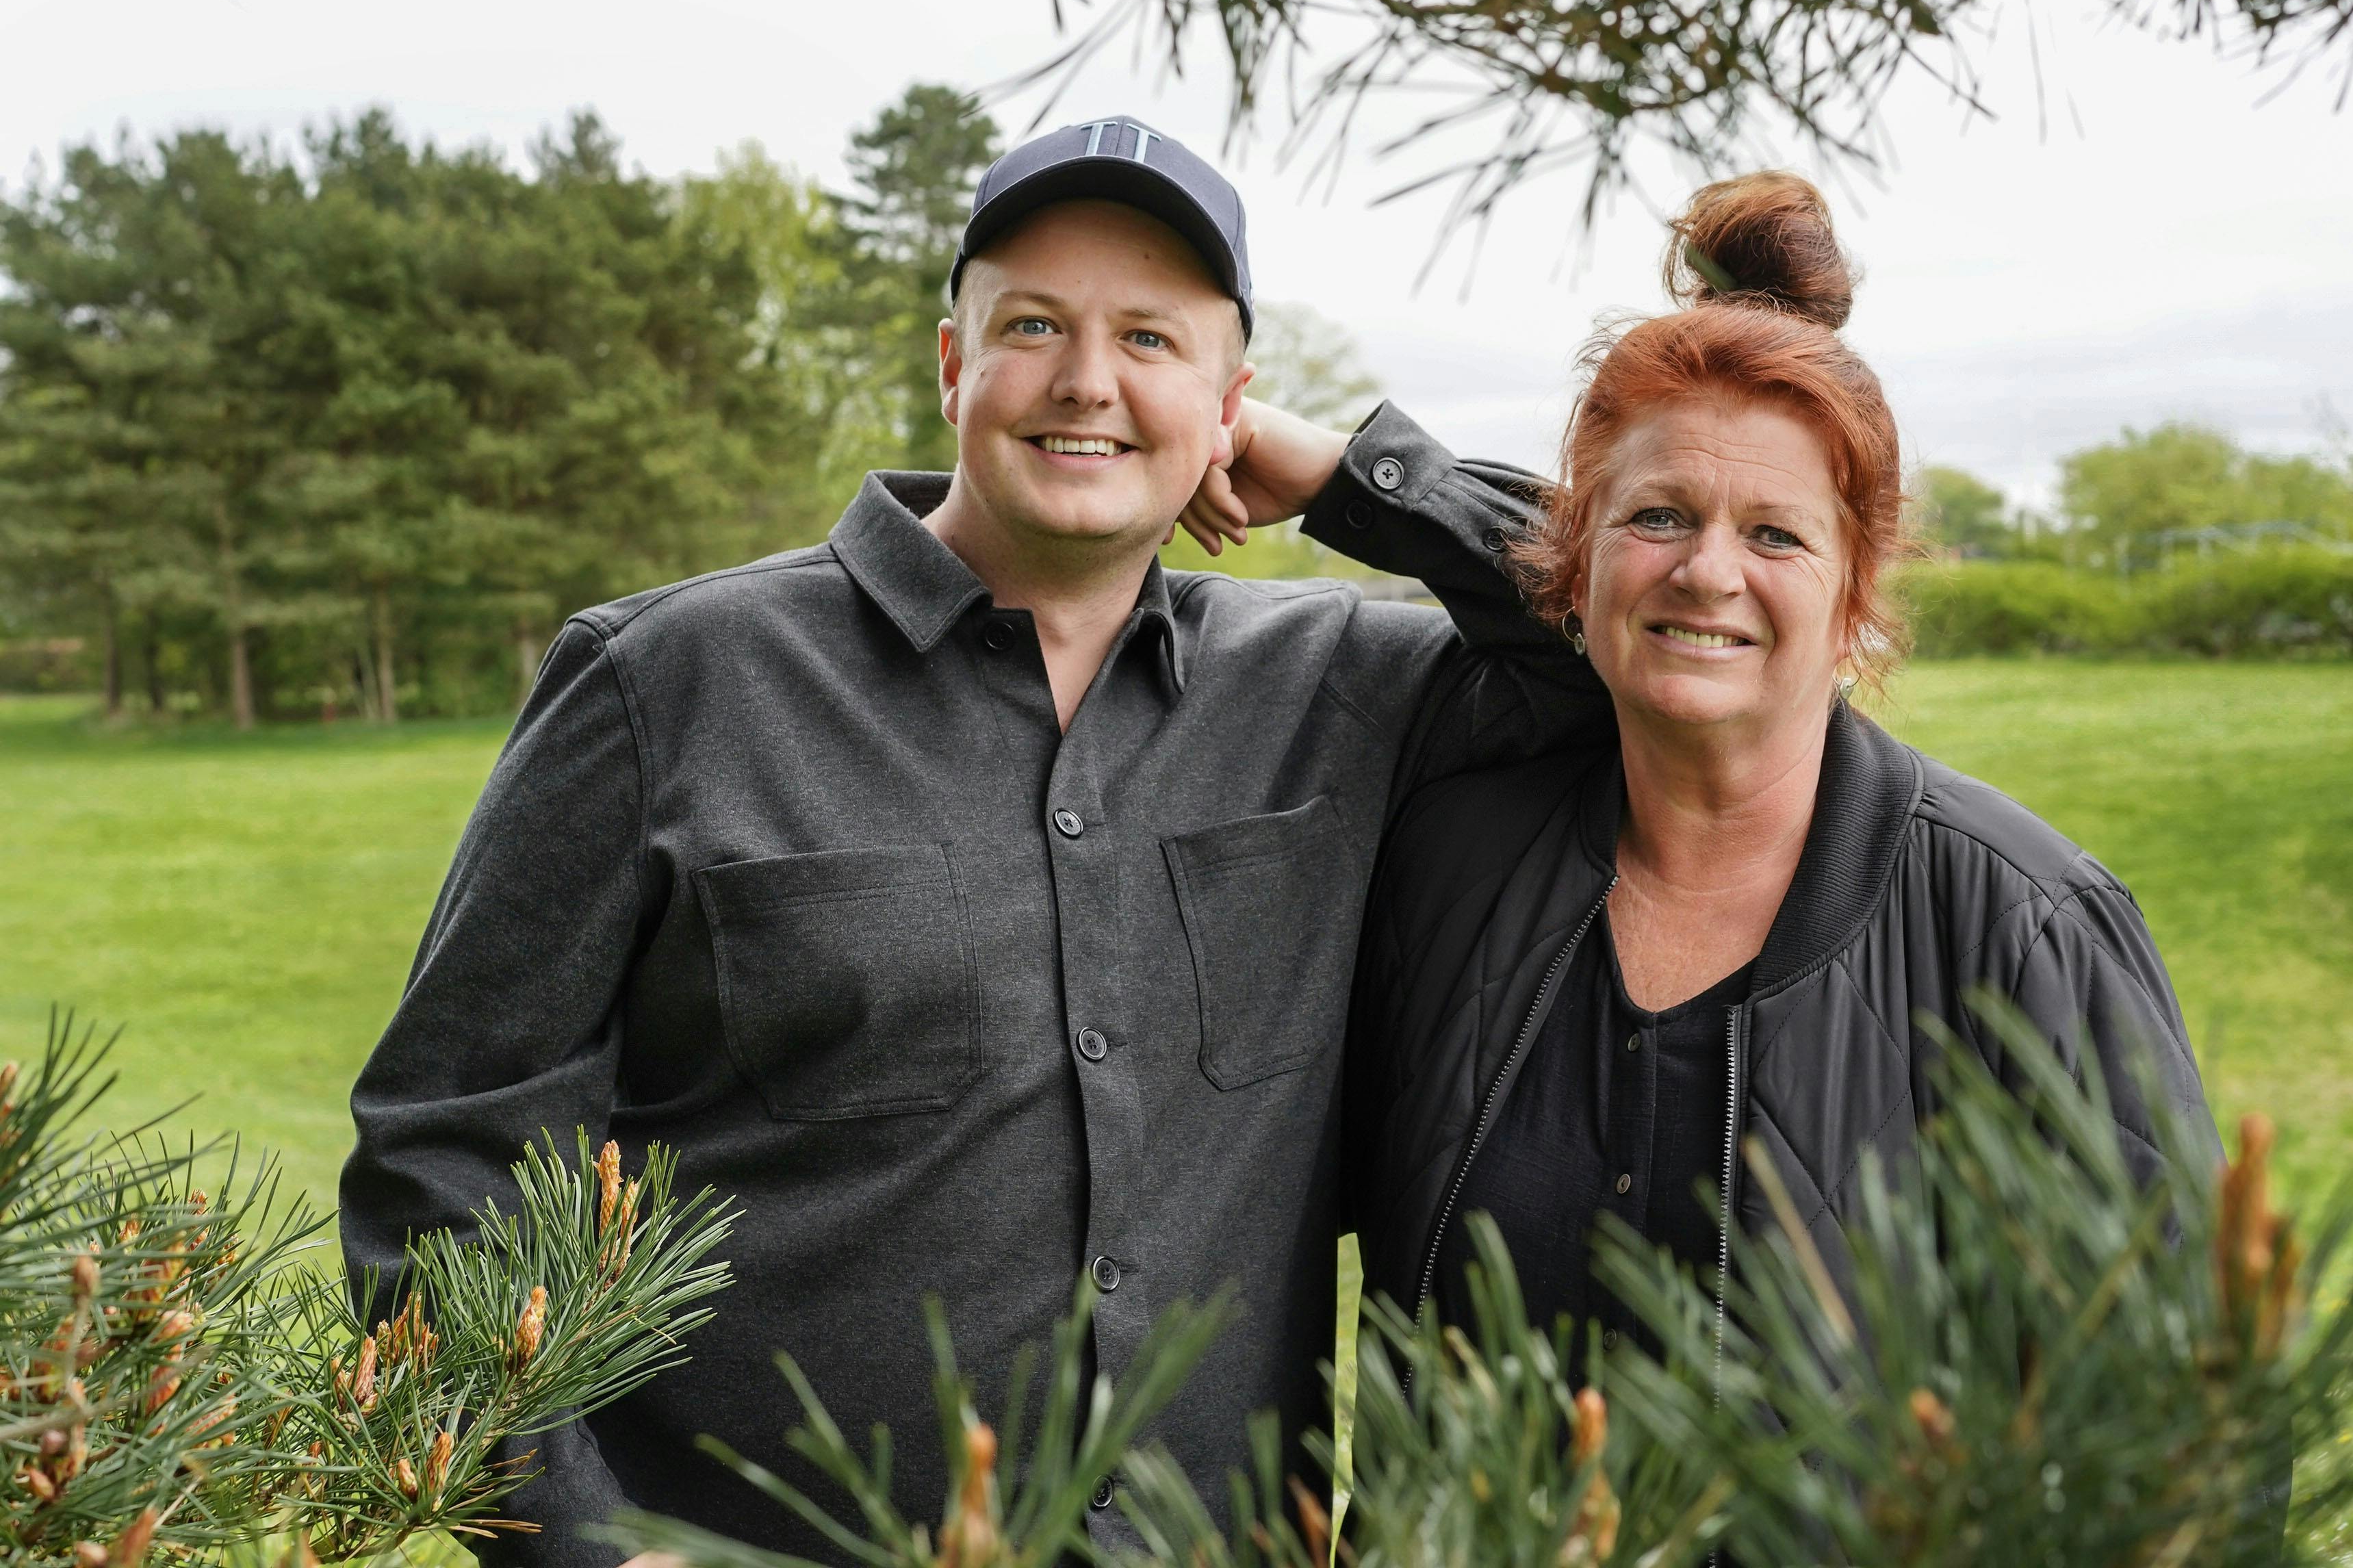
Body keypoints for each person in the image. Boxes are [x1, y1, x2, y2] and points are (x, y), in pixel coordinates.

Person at [340, 117, 1604, 1567]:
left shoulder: (1342, 689)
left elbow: (1660, 637)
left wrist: (1350, 483)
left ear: (1231, 400)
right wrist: (578, 1546)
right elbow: (447, 1155)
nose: (1086, 380)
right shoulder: (664, 684)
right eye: (1034, 326)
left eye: (1150, 339)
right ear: (954, 366)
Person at [1346, 171, 2213, 1344]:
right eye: (1656, 517)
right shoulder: (1453, 869)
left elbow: (2167, 1404)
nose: (1708, 573)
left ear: (1855, 592)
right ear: (1575, 562)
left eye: (1774, 535)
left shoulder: (2023, 925)